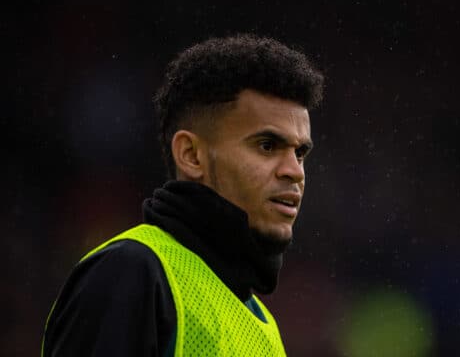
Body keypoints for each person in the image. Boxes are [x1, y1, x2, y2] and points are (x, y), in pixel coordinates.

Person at [42, 35, 324, 356]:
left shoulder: (262, 324)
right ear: (191, 155)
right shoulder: (132, 273)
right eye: (267, 146)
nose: (294, 171)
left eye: (300, 153)